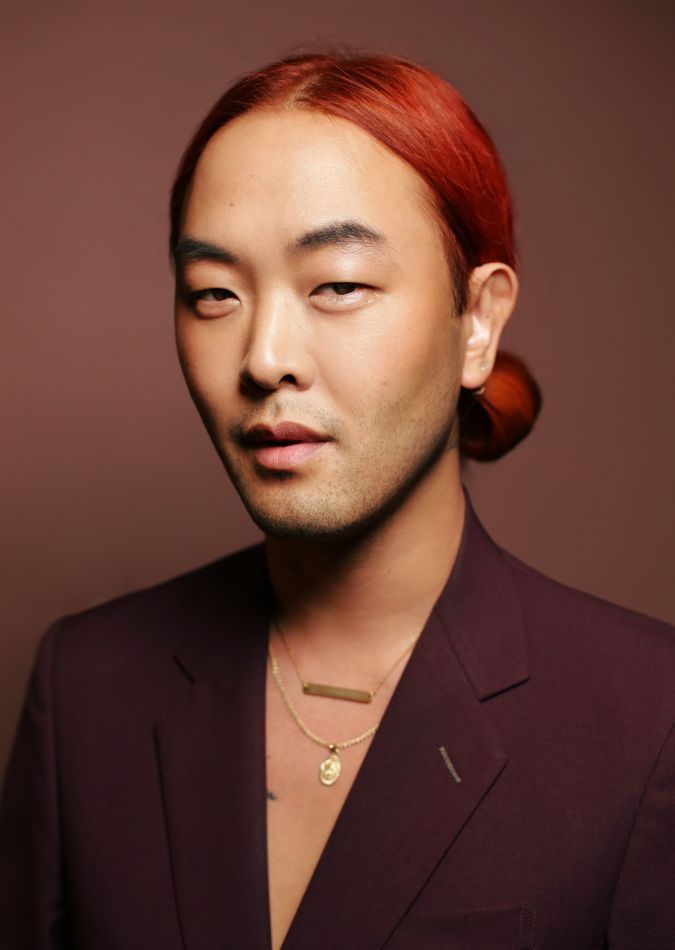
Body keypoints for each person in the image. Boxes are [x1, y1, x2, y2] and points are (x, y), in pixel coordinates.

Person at [1, 49, 674, 950]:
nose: (264, 357)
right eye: (213, 294)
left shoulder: (648, 718)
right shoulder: (86, 689)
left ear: (477, 321)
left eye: (339, 285)